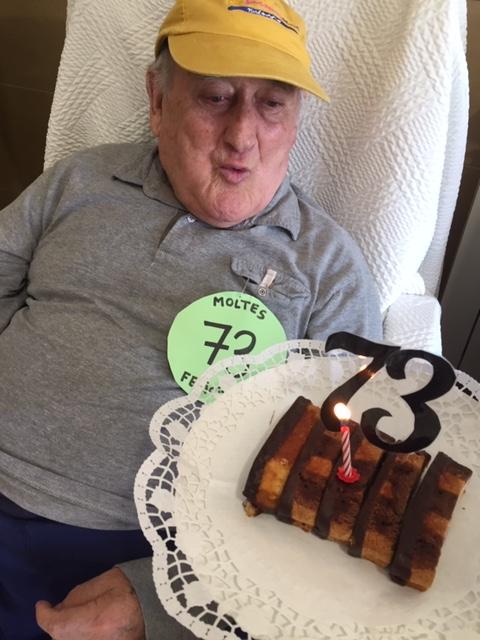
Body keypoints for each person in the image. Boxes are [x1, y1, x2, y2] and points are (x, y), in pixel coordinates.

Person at [0, 0, 382, 638]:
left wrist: (164, 598)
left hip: (141, 555)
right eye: (215, 97)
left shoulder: (327, 265)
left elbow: (339, 484)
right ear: (157, 100)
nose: (242, 136)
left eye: (272, 104)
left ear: (295, 121)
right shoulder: (79, 182)